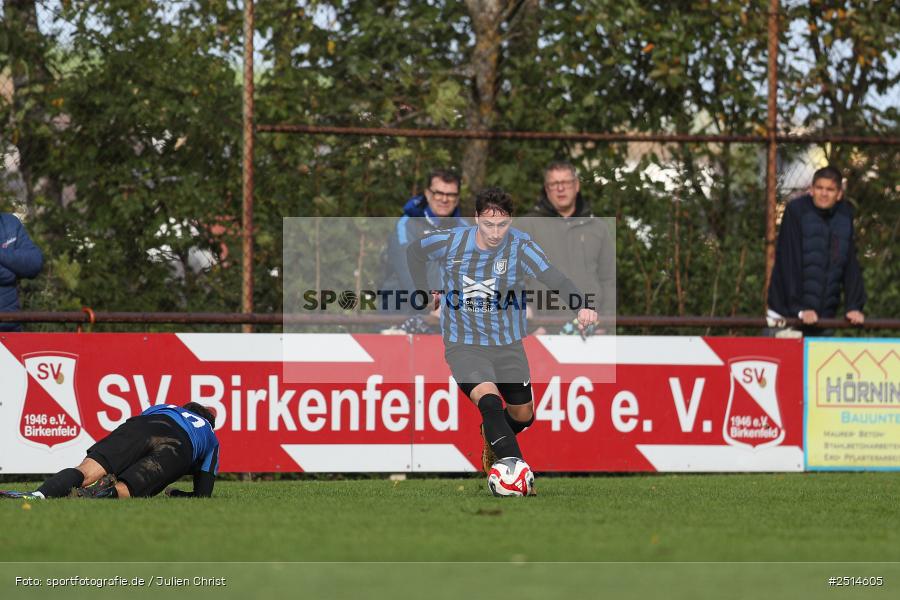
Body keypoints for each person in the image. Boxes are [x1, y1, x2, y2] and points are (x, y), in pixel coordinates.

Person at [406, 187, 597, 481]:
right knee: (490, 401)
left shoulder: (521, 246)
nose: (495, 232)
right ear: (475, 219)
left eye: (503, 225)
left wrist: (581, 306)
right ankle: (515, 471)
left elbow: (553, 277)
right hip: (464, 343)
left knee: (523, 415)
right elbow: (414, 251)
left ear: (511, 221)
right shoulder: (452, 241)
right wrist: (423, 291)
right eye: (488, 224)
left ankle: (492, 434)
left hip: (507, 343)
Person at [0, 402, 219, 499]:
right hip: (181, 445)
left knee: (86, 470)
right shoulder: (211, 437)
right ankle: (94, 497)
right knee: (128, 488)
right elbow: (203, 493)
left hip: (144, 425)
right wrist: (177, 493)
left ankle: (38, 494)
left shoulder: (167, 406)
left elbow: (138, 430)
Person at [516, 161, 615, 335]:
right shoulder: (525, 227)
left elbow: (608, 280)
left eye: (566, 183)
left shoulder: (598, 228)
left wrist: (605, 323)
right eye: (554, 184)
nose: (560, 189)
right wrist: (530, 324)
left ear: (576, 186)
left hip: (591, 330)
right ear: (547, 189)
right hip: (541, 331)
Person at [767, 165, 866, 335]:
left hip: (823, 318)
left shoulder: (845, 216)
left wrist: (853, 306)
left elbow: (850, 264)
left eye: (830, 189)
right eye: (819, 188)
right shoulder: (796, 211)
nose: (824, 193)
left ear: (839, 194)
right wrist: (800, 309)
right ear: (811, 190)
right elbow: (789, 262)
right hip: (787, 316)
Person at [381, 168, 468, 333]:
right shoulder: (407, 225)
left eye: (450, 195)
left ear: (457, 199)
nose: (444, 199)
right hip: (401, 319)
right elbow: (409, 272)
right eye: (438, 193)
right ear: (427, 194)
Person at [0, 211, 44, 332]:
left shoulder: (10, 223)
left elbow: (34, 263)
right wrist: (12, 271)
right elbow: (7, 276)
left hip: (11, 329)